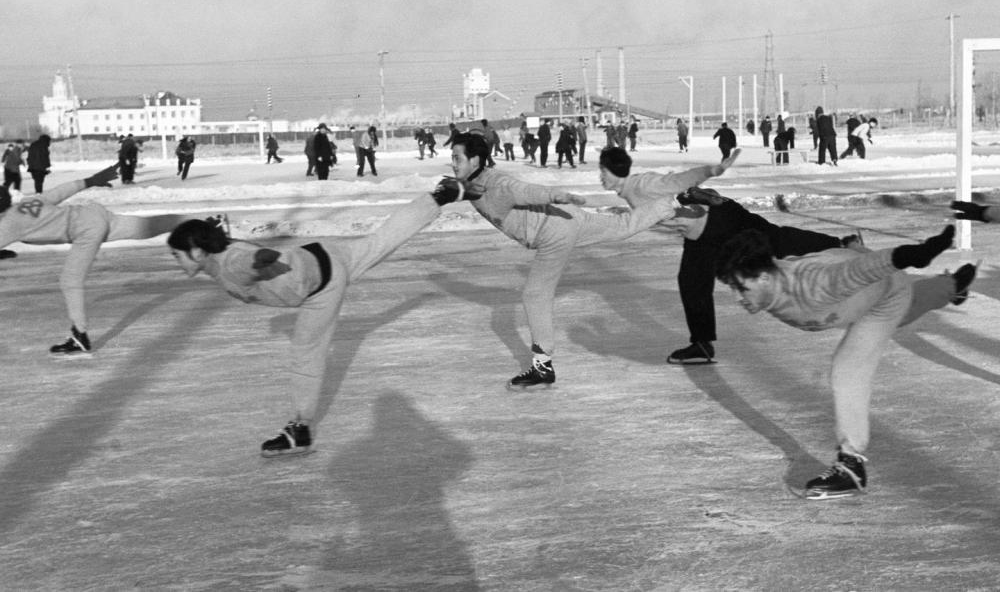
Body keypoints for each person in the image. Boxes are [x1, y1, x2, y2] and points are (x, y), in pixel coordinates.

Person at [166, 176, 478, 456]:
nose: (176, 262)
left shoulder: (230, 264)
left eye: (177, 255)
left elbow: (245, 261)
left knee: (306, 352)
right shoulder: (222, 253)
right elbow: (237, 251)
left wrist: (261, 258)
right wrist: (229, 238)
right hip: (323, 253)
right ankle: (440, 196)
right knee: (380, 241)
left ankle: (300, 429)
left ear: (197, 251)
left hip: (321, 286)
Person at [715, 225, 976, 499]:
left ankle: (851, 467)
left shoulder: (814, 286)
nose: (737, 298)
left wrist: (915, 254)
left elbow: (861, 270)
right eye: (732, 288)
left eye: (741, 288)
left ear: (765, 278)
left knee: (849, 368)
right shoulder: (770, 274)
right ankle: (952, 286)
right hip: (856, 279)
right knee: (908, 307)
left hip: (884, 294)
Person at [442, 133, 684, 390]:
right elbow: (464, 190)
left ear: (475, 160)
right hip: (565, 218)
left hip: (552, 231)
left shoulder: (497, 184)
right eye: (452, 158)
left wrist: (556, 195)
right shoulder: (473, 183)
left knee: (535, 295)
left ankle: (542, 367)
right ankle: (674, 201)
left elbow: (524, 191)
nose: (453, 163)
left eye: (457, 158)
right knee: (620, 226)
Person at [597, 146, 853, 365]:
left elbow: (679, 180)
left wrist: (712, 170)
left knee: (773, 241)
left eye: (603, 171)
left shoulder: (643, 184)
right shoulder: (630, 192)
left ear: (615, 171)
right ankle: (701, 345)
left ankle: (841, 244)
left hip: (721, 218)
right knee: (692, 282)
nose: (601, 177)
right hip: (700, 235)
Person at [0, 164, 195, 357]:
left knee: (70, 280)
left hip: (84, 230)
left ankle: (80, 335)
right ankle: (199, 221)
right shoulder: (25, 204)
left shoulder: (7, 224)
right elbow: (60, 191)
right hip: (92, 214)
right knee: (144, 227)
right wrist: (91, 180)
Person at [2, 139, 25, 211]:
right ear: (18, 144)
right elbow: (17, 159)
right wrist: (22, 162)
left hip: (11, 169)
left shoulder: (18, 149)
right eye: (21, 144)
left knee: (13, 181)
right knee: (12, 181)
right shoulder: (16, 150)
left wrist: (22, 162)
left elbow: (18, 158)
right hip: (10, 169)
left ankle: (16, 194)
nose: (22, 145)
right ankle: (15, 195)